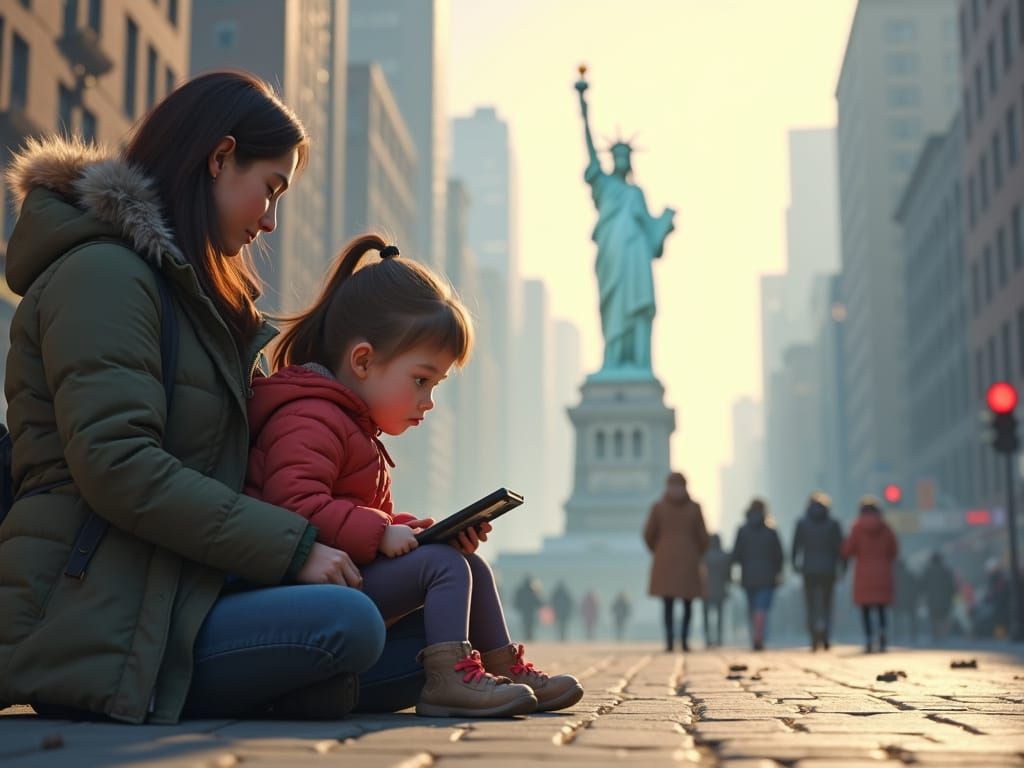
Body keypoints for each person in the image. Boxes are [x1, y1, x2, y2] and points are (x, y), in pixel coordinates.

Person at [0, 71, 396, 723]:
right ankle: (300, 686)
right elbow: (119, 465)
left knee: (417, 623)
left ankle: (305, 688)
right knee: (349, 624)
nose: (270, 220)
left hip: (186, 591)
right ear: (220, 158)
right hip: (100, 617)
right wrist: (295, 549)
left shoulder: (199, 303)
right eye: (270, 189)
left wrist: (382, 537)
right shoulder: (103, 276)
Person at [243, 234, 583, 717]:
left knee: (469, 565)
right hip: (293, 592)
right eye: (421, 380)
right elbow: (292, 507)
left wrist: (418, 532)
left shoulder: (354, 427)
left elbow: (352, 515)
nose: (429, 401)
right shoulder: (309, 417)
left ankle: (502, 666)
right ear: (363, 360)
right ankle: (449, 680)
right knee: (443, 568)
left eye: (436, 385)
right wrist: (382, 533)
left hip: (338, 578)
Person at [644, 472, 709, 652]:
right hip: (688, 560)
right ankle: (683, 640)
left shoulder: (658, 507)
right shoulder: (694, 508)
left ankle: (670, 640)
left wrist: (659, 550)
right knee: (685, 603)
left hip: (666, 561)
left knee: (669, 603)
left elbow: (648, 535)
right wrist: (695, 552)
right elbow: (704, 537)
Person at [841, 496, 898, 653]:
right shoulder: (886, 528)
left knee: (865, 609)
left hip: (863, 575)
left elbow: (847, 550)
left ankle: (868, 638)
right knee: (881, 608)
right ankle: (882, 633)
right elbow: (894, 550)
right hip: (883, 574)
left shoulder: (856, 528)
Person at [791, 492, 844, 651]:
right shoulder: (833, 523)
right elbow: (840, 548)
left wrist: (795, 564)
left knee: (811, 605)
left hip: (809, 569)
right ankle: (826, 634)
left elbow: (796, 546)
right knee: (827, 604)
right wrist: (842, 566)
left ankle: (813, 635)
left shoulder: (802, 523)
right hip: (828, 569)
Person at [731, 498, 784, 650]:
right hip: (767, 576)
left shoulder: (742, 531)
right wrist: (777, 572)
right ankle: (760, 635)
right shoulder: (771, 531)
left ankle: (755, 634)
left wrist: (735, 570)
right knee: (763, 607)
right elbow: (779, 555)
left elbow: (736, 555)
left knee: (753, 607)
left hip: (749, 576)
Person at [703, 534, 731, 648]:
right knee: (720, 616)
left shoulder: (704, 555)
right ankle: (719, 638)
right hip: (720, 589)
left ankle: (707, 638)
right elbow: (728, 575)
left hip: (706, 590)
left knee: (706, 616)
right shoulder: (724, 556)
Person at [921, 551, 955, 642]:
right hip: (945, 600)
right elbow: (951, 586)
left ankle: (936, 635)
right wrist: (951, 597)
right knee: (943, 617)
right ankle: (943, 635)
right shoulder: (946, 571)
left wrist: (923, 597)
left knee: (934, 618)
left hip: (932, 600)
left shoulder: (927, 571)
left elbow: (923, 585)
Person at [893, 558, 919, 644]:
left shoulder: (893, 577)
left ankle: (897, 635)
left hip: (898, 600)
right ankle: (913, 635)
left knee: (897, 619)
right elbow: (915, 587)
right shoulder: (910, 575)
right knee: (912, 618)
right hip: (909, 600)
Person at [514, 575, 545, 642]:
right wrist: (540, 604)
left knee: (526, 623)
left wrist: (518, 607)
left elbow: (517, 601)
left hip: (525, 610)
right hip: (530, 610)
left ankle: (527, 636)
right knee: (530, 624)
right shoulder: (533, 590)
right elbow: (537, 600)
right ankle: (529, 637)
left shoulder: (521, 590)